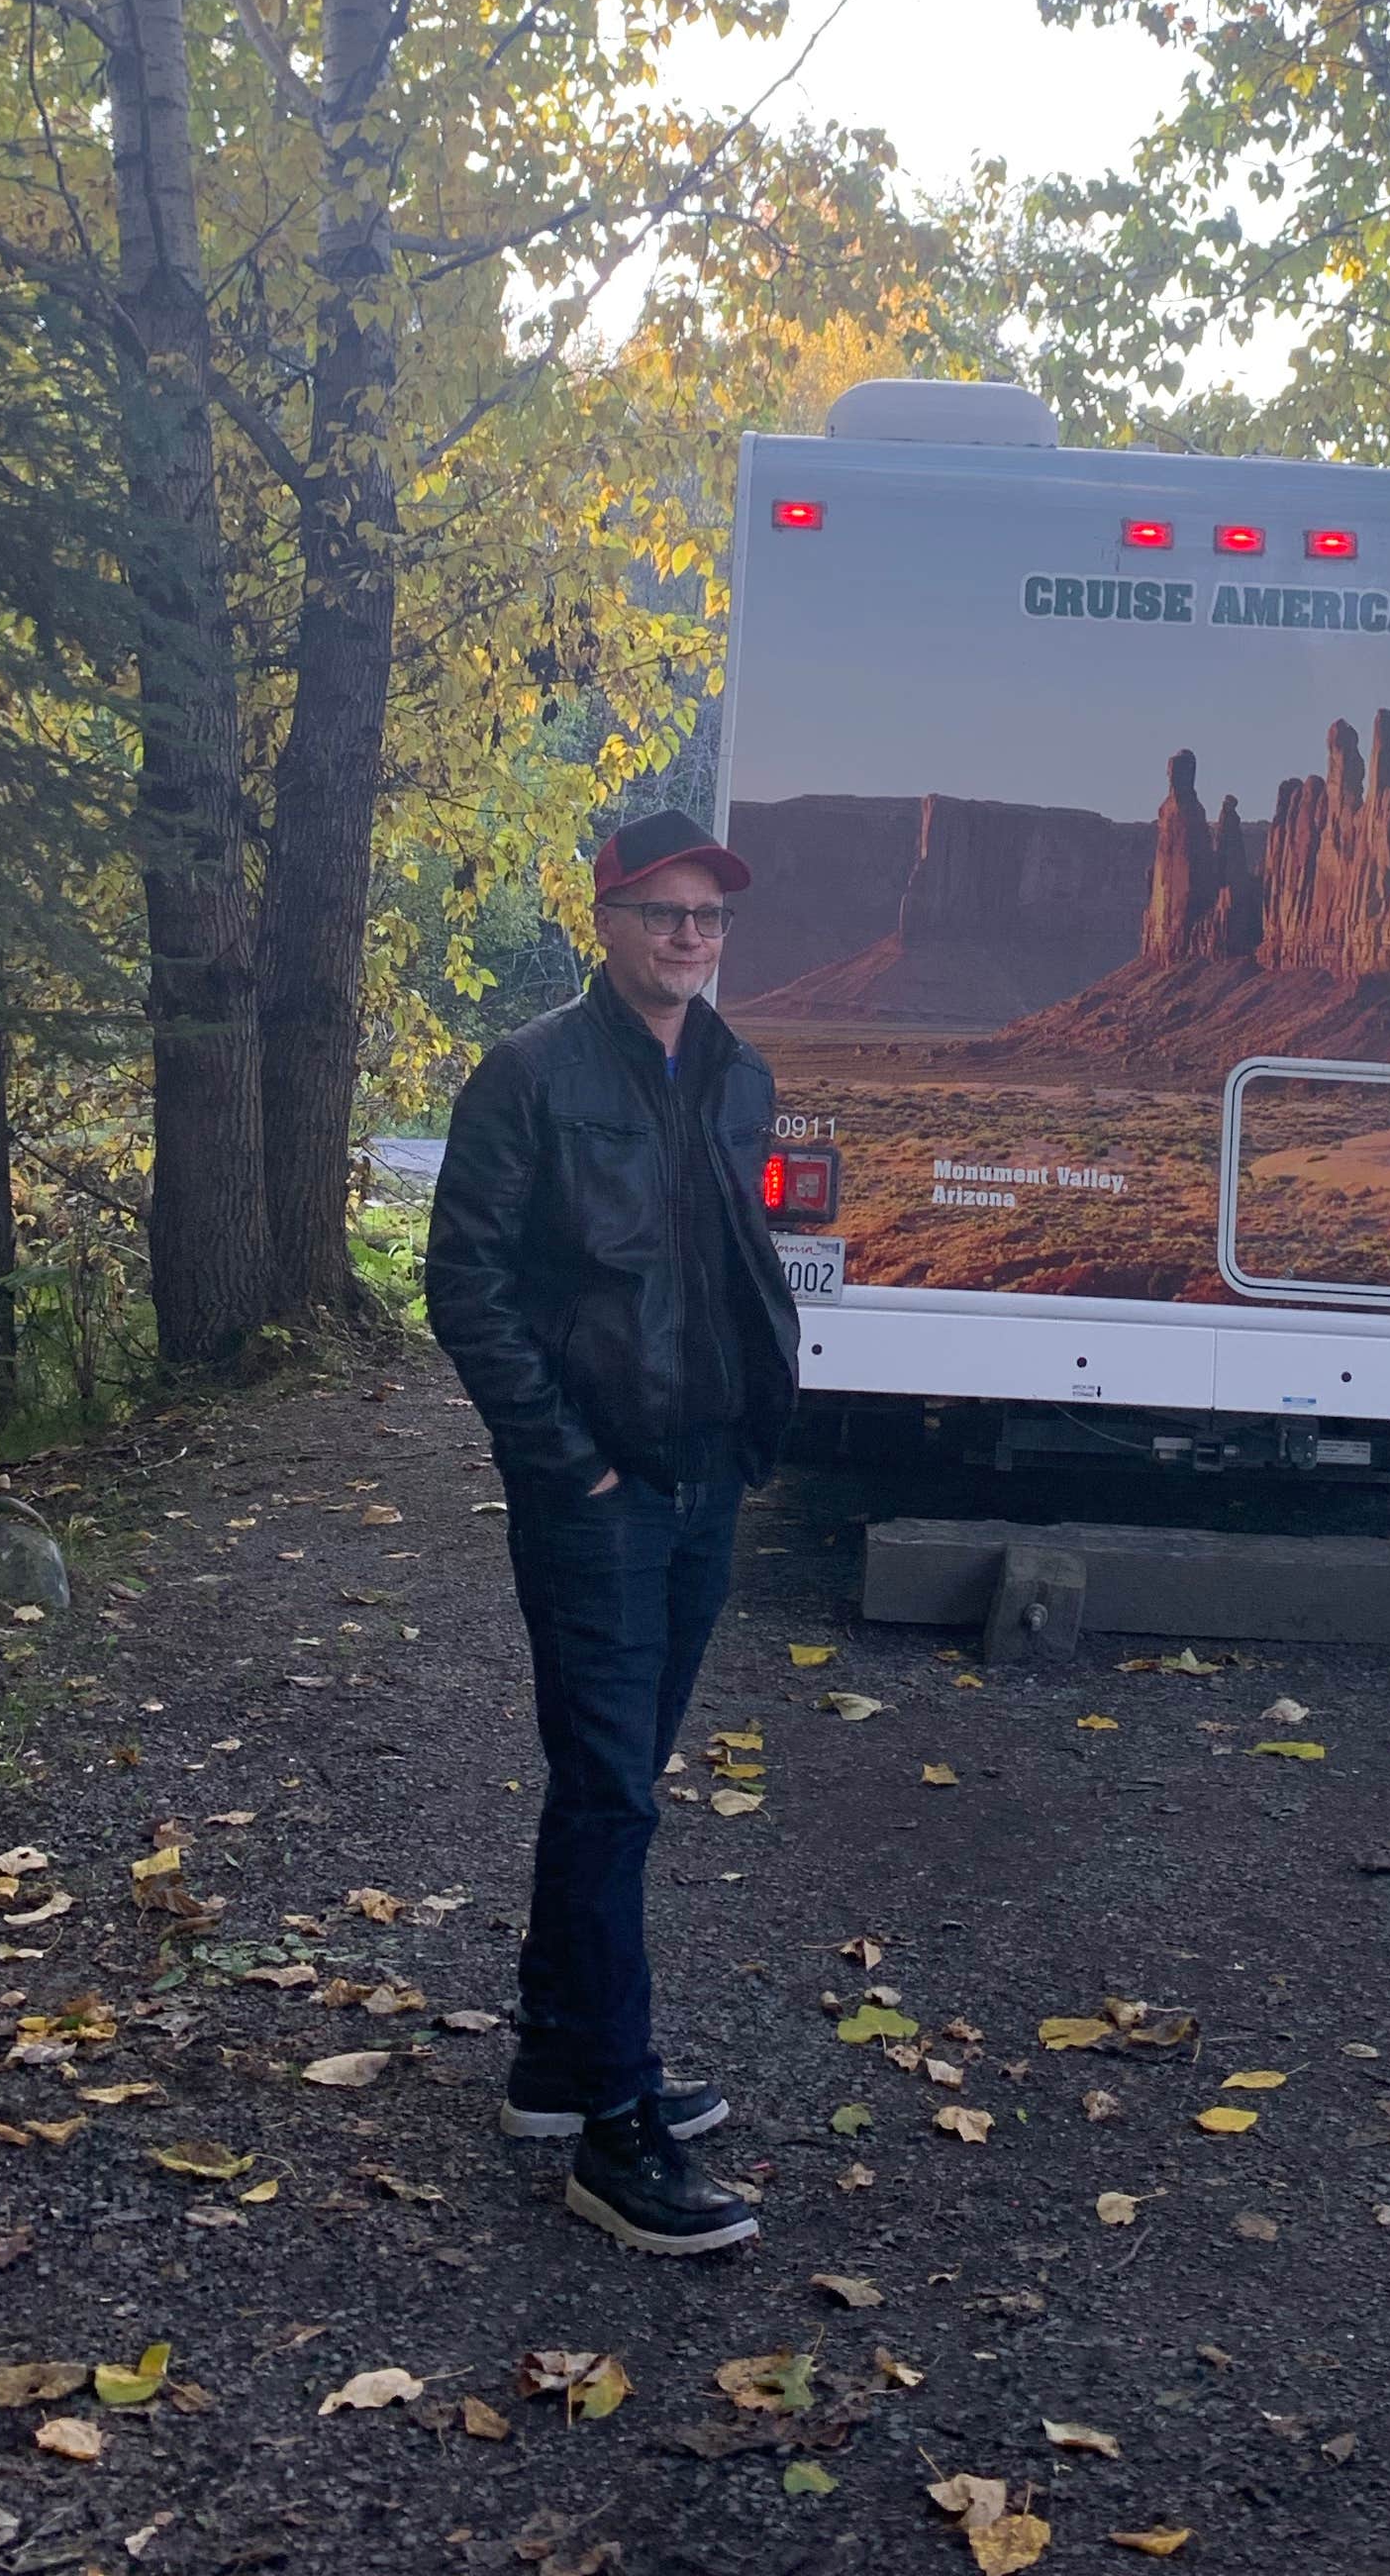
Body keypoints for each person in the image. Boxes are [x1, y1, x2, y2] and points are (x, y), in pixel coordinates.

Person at [425, 806, 799, 2254]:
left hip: (704, 1476)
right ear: (608, 920)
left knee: (620, 1771)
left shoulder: (733, 1072)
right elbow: (467, 1289)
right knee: (611, 1787)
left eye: (709, 915)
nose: (691, 936)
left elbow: (731, 1264)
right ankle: (614, 2130)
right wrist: (567, 1462)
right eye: (664, 912)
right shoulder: (528, 1077)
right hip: (602, 1490)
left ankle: (552, 2054)